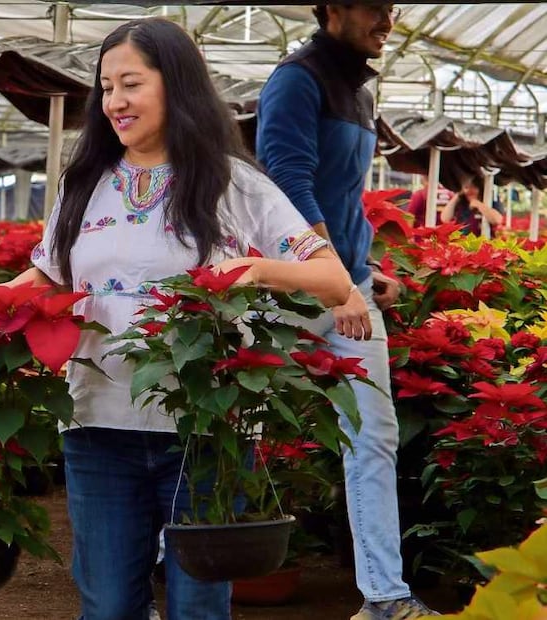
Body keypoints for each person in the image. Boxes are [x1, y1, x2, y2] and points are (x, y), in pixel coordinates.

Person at [0, 17, 357, 620]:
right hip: (97, 425)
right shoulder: (84, 184)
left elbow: (333, 280)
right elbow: (49, 275)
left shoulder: (234, 183)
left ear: (176, 84)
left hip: (205, 429)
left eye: (131, 84)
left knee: (198, 607)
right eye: (105, 87)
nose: (114, 101)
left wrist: (254, 269)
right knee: (109, 606)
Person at [255, 4, 440, 620]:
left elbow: (341, 194)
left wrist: (365, 268)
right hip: (291, 291)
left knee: (373, 436)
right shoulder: (296, 78)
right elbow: (288, 185)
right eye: (374, 8)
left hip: (348, 285)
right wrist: (336, 280)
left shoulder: (358, 87)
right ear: (333, 8)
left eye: (393, 8)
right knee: (228, 424)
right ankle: (161, 566)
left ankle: (384, 598)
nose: (388, 20)